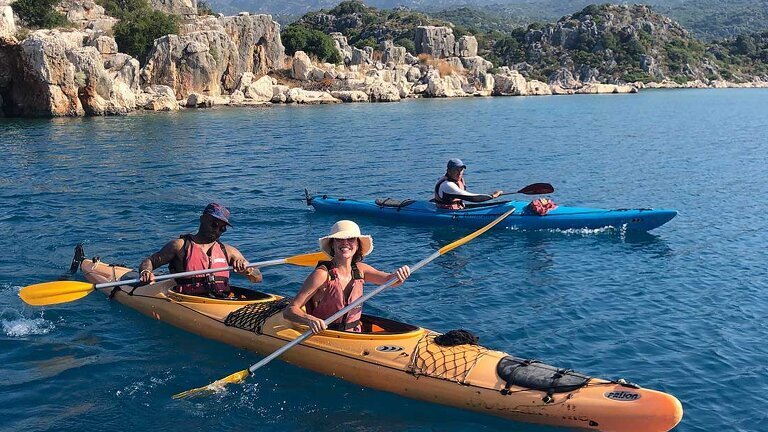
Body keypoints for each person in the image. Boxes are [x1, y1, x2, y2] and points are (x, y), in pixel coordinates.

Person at [284, 220, 410, 334]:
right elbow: (290, 310)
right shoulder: (322, 274)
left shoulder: (361, 269)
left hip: (355, 333)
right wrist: (309, 320)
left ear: (357, 245)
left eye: (350, 239)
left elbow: (390, 280)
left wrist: (399, 274)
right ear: (332, 244)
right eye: (339, 239)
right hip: (325, 334)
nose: (345, 243)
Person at [138, 203, 262, 297]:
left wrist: (248, 270)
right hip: (188, 300)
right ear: (203, 219)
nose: (217, 230)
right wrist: (145, 271)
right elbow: (150, 261)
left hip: (222, 300)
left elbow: (257, 278)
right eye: (214, 224)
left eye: (222, 228)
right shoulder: (180, 245)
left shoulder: (229, 251)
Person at [434, 158, 503, 209]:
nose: (459, 173)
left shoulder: (458, 180)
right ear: (449, 171)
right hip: (447, 213)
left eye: (461, 170)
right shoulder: (447, 185)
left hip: (458, 209)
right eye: (456, 170)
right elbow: (472, 198)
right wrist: (492, 196)